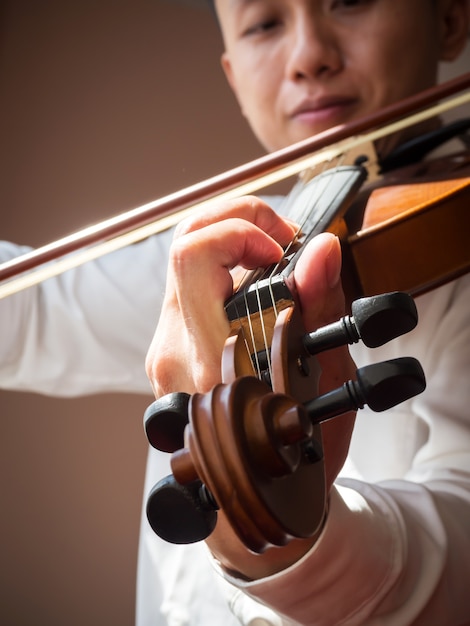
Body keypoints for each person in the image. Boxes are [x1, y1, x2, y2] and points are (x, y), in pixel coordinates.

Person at [1, 1, 470, 625]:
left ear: (448, 19)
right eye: (264, 24)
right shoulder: (225, 250)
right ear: (234, 77)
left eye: (351, 0)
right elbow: (30, 313)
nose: (308, 57)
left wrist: (301, 552)